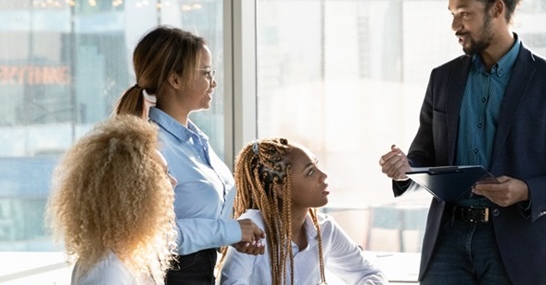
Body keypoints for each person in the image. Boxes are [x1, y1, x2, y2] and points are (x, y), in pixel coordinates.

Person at [378, 0, 546, 285]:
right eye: (452, 14)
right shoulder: (443, 78)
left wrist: (525, 191)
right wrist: (405, 170)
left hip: (519, 247)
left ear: (497, 9)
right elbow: (425, 156)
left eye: (464, 14)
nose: (455, 26)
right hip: (447, 242)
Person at [114, 25, 264, 284]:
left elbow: (206, 220)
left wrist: (233, 236)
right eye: (206, 73)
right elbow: (152, 236)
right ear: (175, 80)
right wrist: (229, 230)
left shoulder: (197, 141)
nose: (213, 82)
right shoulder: (150, 148)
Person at [219, 138, 386, 285]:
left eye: (316, 166)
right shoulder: (252, 232)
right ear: (280, 188)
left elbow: (369, 274)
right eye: (310, 172)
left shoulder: (325, 229)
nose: (323, 175)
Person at [47, 115, 178, 284]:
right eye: (164, 173)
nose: (173, 181)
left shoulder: (124, 257)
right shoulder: (109, 272)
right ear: (136, 191)